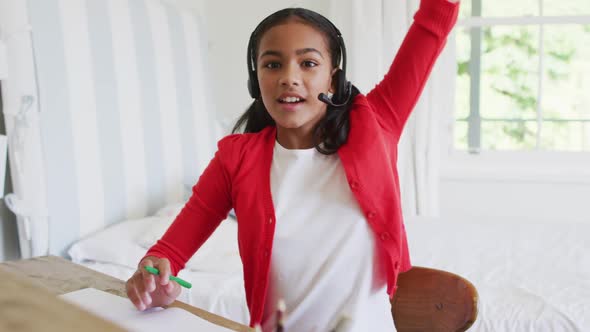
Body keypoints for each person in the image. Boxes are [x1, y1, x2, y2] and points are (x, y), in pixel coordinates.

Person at [125, 0, 460, 330]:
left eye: (308, 63)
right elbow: (167, 253)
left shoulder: (376, 123)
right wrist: (152, 280)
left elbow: (431, 27)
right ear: (256, 81)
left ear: (333, 78)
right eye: (272, 65)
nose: (289, 77)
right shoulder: (234, 159)